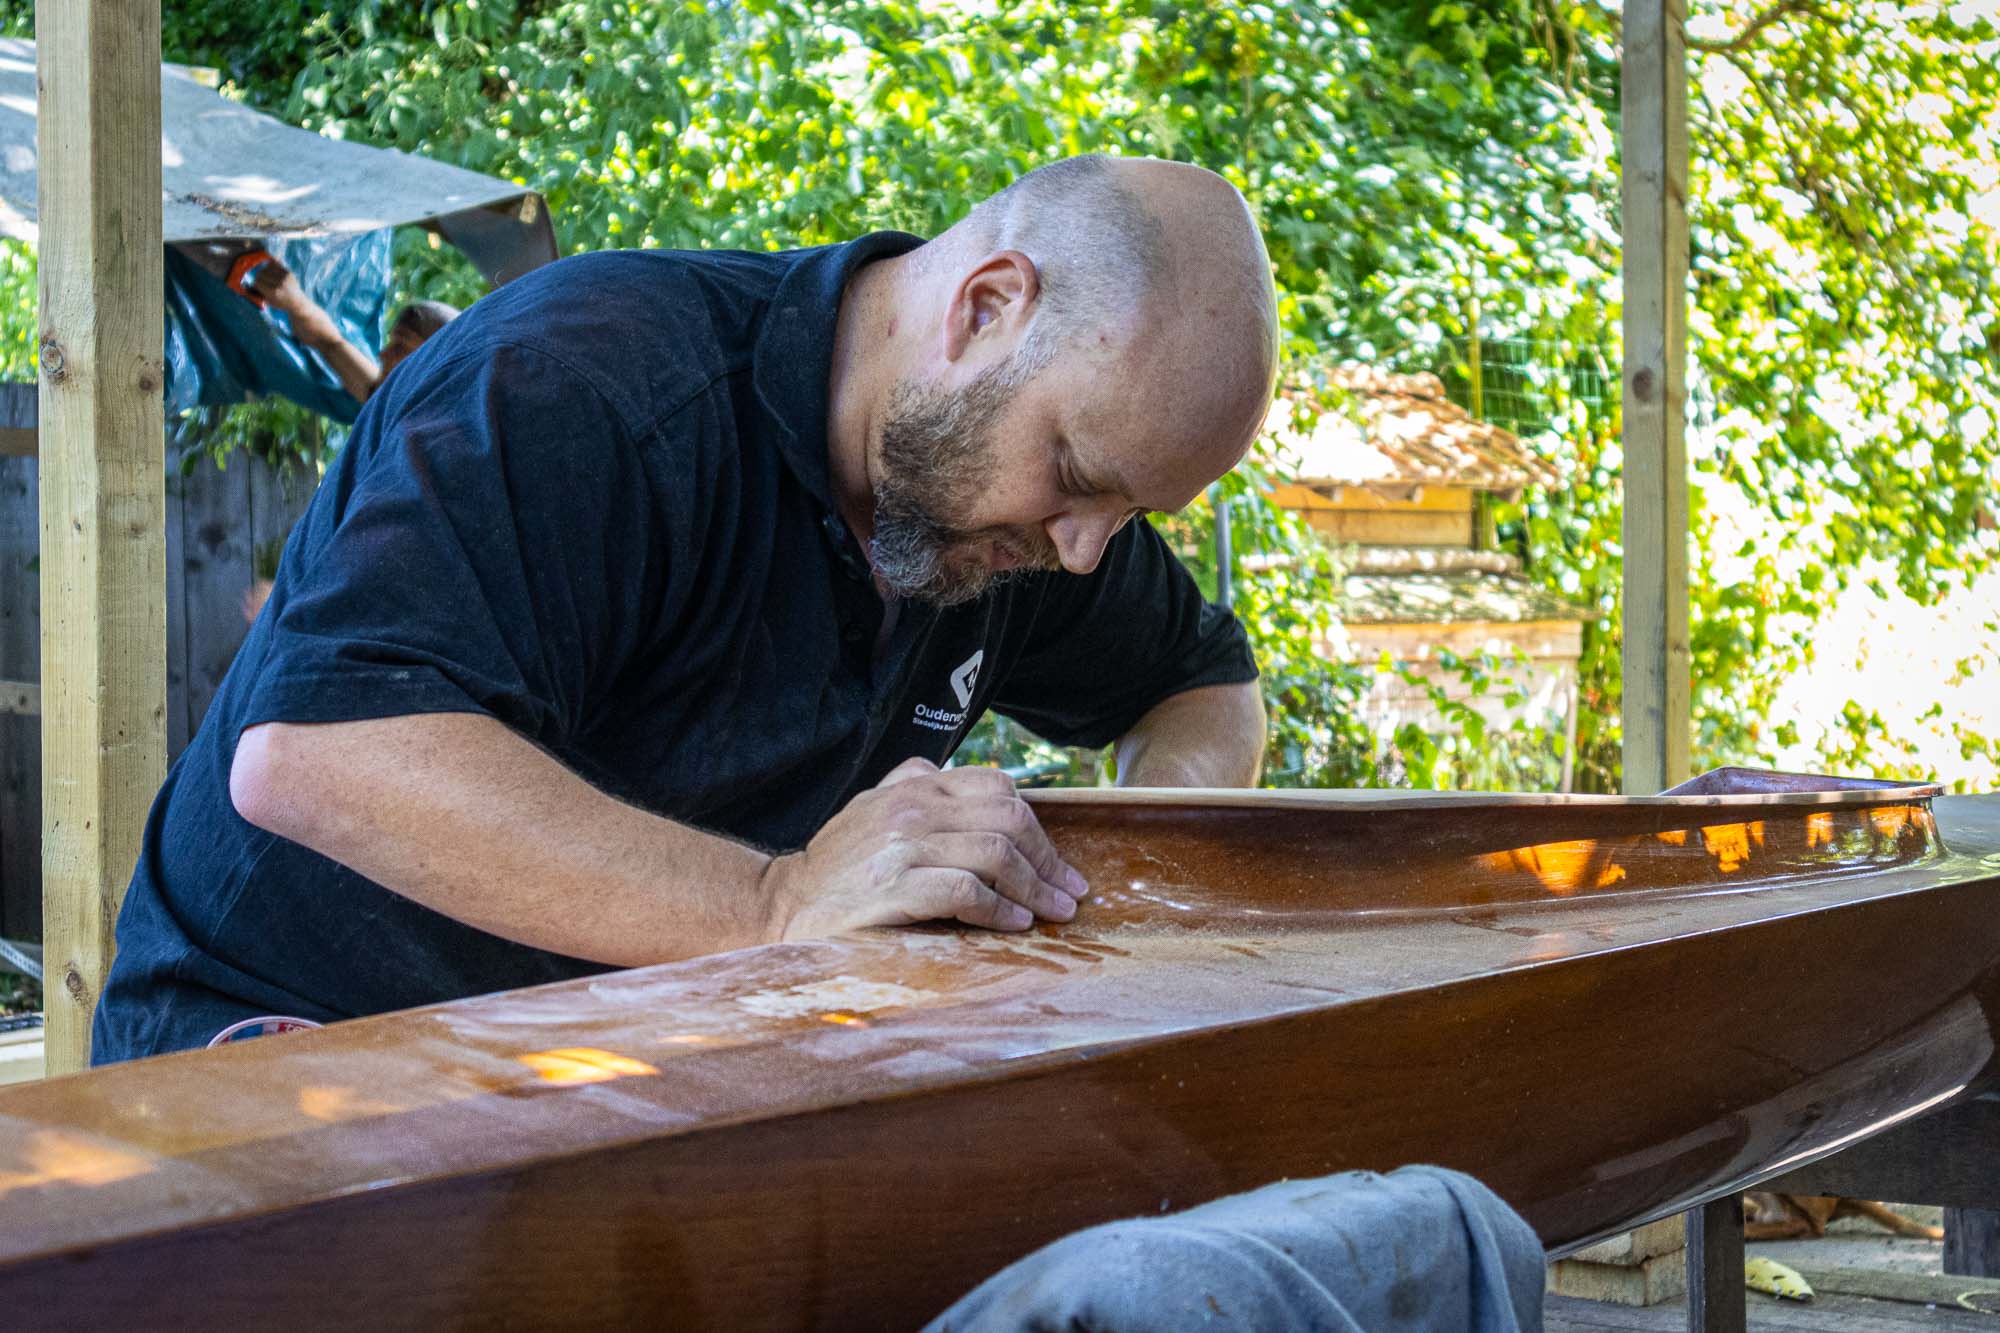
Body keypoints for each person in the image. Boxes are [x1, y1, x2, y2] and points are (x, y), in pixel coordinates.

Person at [92, 155, 1280, 1063]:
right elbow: (317, 757)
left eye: (1127, 513)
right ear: (983, 311)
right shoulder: (590, 383)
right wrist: (779, 902)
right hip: (285, 1044)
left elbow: (1202, 683)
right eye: (1075, 478)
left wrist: (1118, 893)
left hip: (596, 1075)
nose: (1082, 554)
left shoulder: (1019, 526)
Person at [238, 266, 461, 622]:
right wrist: (297, 305)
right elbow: (333, 345)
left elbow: (370, 574)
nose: (383, 355)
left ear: (431, 363)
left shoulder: (425, 459)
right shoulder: (396, 410)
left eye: (399, 345)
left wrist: (284, 609)